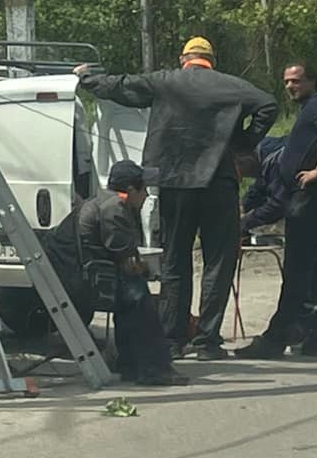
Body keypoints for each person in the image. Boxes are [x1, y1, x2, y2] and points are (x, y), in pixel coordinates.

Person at [77, 40, 276, 359]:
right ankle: (207, 342)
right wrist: (241, 141)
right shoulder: (231, 85)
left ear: (184, 59)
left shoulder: (165, 80)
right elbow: (268, 104)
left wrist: (88, 77)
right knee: (217, 263)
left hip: (174, 183)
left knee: (175, 262)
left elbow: (122, 86)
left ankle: (172, 340)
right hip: (218, 183)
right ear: (211, 60)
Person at [238, 62, 317, 361]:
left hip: (310, 199)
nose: (290, 87)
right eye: (286, 82)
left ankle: (275, 339)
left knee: (298, 272)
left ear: (312, 81)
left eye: (296, 81)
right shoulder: (308, 111)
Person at [77, 160, 179, 386]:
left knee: (134, 292)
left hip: (90, 271)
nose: (146, 196)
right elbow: (126, 261)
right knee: (140, 299)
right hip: (88, 277)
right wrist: (150, 270)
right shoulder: (115, 208)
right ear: (131, 190)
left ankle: (131, 363)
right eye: (144, 189)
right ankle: (152, 368)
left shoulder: (105, 201)